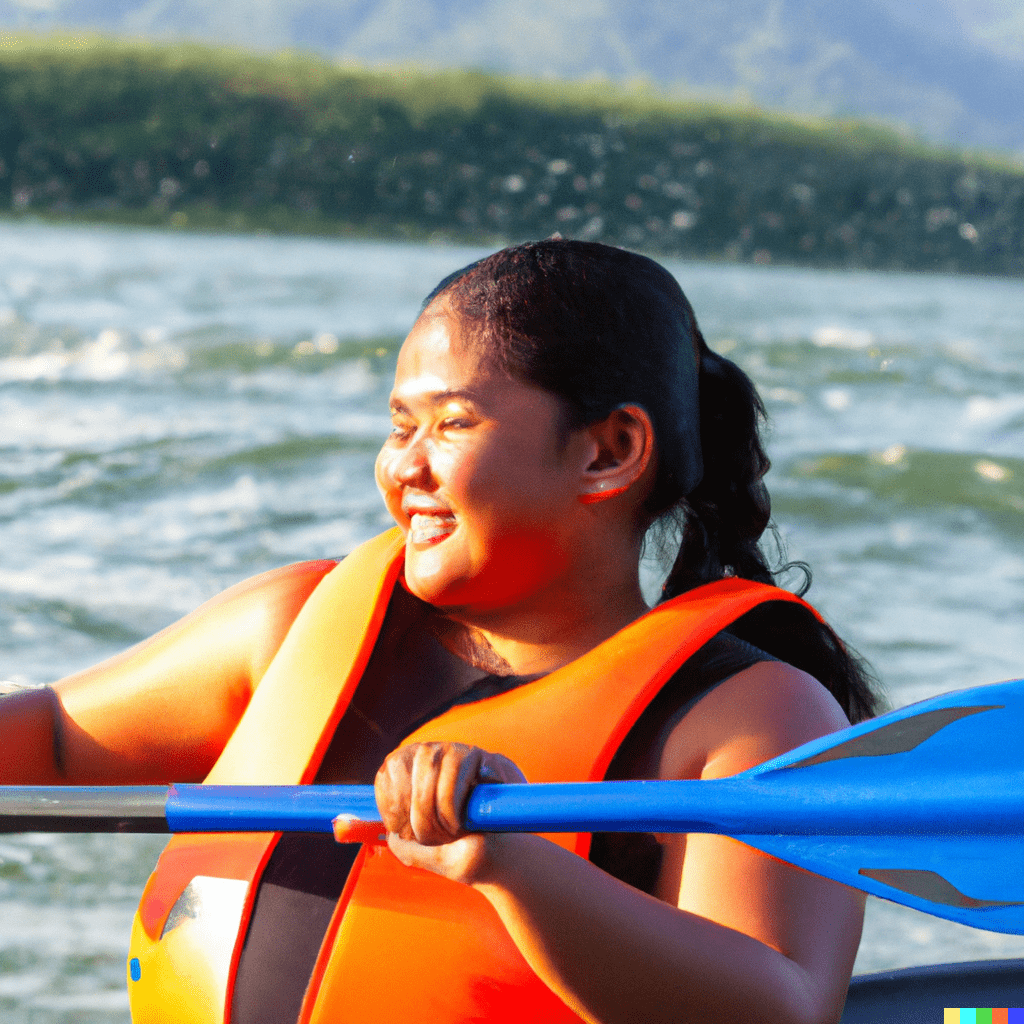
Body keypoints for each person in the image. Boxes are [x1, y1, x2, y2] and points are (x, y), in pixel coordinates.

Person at [1, 239, 878, 1024]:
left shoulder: (749, 719)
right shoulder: (290, 624)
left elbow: (782, 1008)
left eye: (453, 423)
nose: (403, 466)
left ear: (610, 451)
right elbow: (52, 740)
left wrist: (517, 865)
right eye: (398, 425)